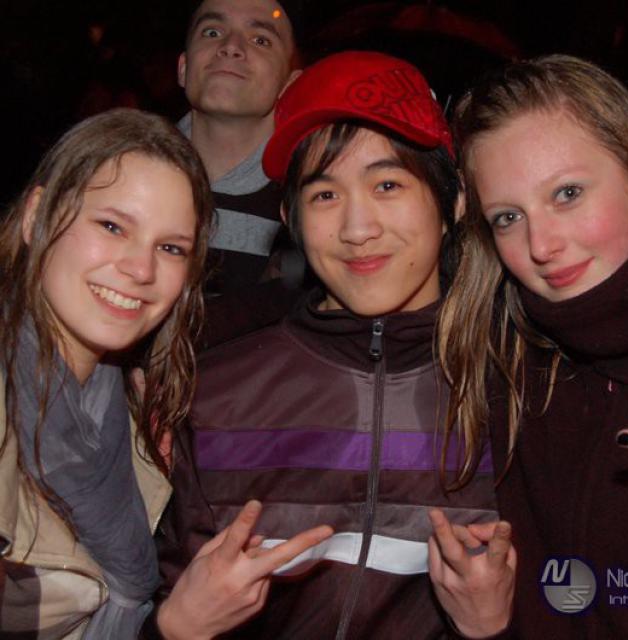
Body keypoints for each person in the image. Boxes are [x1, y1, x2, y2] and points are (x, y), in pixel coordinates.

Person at [157, 51, 511, 640]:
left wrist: (492, 630)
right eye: (324, 195)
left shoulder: (515, 389)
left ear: (452, 203)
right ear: (290, 218)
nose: (357, 229)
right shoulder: (217, 391)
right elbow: (167, 598)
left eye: (388, 184)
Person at [0, 108, 331, 640]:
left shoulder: (134, 413)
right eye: (112, 226)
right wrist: (176, 630)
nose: (141, 268)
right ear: (37, 217)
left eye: (171, 247)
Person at [439, 54, 628, 638]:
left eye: (567, 193)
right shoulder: (503, 361)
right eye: (507, 216)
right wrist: (487, 627)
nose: (541, 245)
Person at [177, 0, 305, 347]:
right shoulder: (121, 181)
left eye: (261, 39)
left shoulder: (311, 202)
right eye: (212, 32)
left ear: (289, 85)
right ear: (184, 68)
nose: (231, 47)